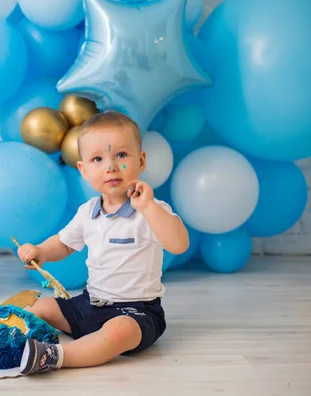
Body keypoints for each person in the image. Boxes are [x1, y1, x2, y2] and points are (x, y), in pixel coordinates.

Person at [16, 110, 189, 375]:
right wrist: (40, 251)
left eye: (121, 155)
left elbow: (178, 244)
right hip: (91, 304)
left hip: (137, 312)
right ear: (83, 170)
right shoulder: (88, 212)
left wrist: (149, 208)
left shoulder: (151, 210)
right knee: (43, 307)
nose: (110, 166)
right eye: (98, 158)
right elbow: (64, 244)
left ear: (141, 161)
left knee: (119, 331)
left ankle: (56, 356)